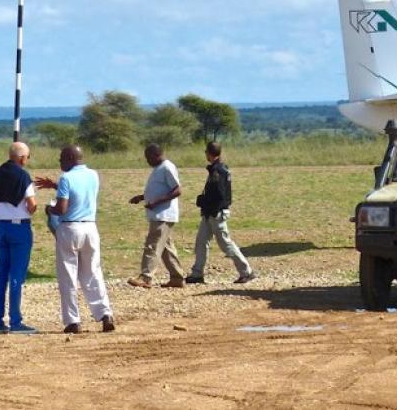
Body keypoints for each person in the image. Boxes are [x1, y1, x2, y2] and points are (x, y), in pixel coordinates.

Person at [36, 146, 116, 334]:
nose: (60, 162)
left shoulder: (66, 178)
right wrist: (55, 185)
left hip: (70, 228)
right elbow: (79, 192)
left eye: (62, 158)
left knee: (68, 276)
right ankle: (105, 314)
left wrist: (49, 210)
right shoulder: (93, 175)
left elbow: (62, 209)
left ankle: (73, 321)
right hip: (90, 227)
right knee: (93, 273)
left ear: (71, 158)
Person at [0, 142, 38, 333]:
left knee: (1, 274)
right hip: (19, 227)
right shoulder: (23, 176)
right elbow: (31, 205)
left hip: (2, 227)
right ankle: (16, 321)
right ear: (22, 157)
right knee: (16, 275)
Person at [186, 141, 254, 285]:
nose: (205, 154)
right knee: (201, 242)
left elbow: (219, 195)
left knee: (226, 244)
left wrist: (204, 201)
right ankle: (197, 273)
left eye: (206, 152)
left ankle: (246, 272)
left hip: (215, 213)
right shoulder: (219, 168)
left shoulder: (217, 171)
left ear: (209, 153)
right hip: (209, 213)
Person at [127, 143, 185, 288]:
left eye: (148, 157)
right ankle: (177, 278)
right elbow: (159, 189)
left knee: (152, 245)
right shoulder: (159, 169)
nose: (147, 161)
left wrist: (156, 202)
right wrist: (142, 197)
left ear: (155, 155)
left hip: (163, 214)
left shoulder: (167, 167)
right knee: (166, 248)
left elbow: (177, 190)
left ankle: (146, 277)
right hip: (159, 213)